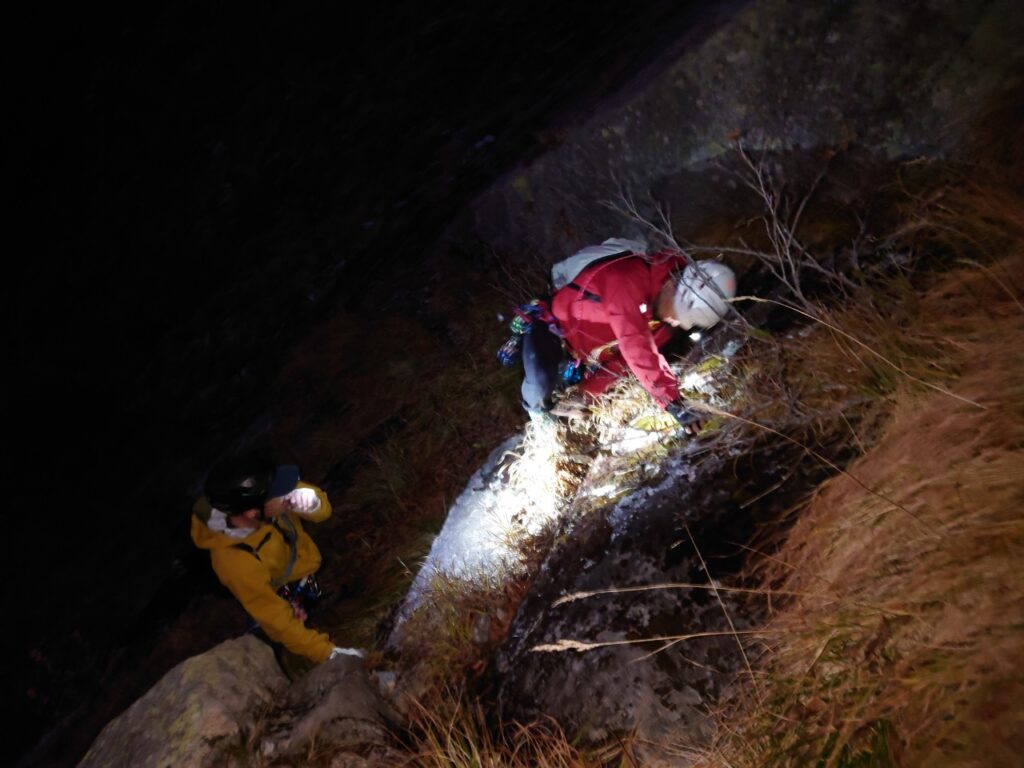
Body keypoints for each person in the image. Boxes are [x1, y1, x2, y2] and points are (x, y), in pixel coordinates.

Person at [520, 241, 737, 434]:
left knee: (569, 411)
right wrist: (674, 403)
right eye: (678, 314)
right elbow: (635, 346)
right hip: (551, 329)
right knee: (540, 384)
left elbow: (624, 361)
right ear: (673, 286)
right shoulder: (625, 277)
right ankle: (540, 426)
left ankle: (555, 422)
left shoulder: (660, 320)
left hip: (581, 360)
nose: (675, 322)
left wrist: (588, 392)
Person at [191, 455, 360, 664]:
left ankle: (308, 600)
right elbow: (276, 619)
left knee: (307, 598)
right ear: (253, 513)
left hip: (301, 570)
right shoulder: (235, 563)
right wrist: (328, 653)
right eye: (280, 493)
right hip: (272, 590)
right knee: (277, 627)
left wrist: (313, 502)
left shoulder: (266, 494)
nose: (288, 492)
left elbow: (322, 511)